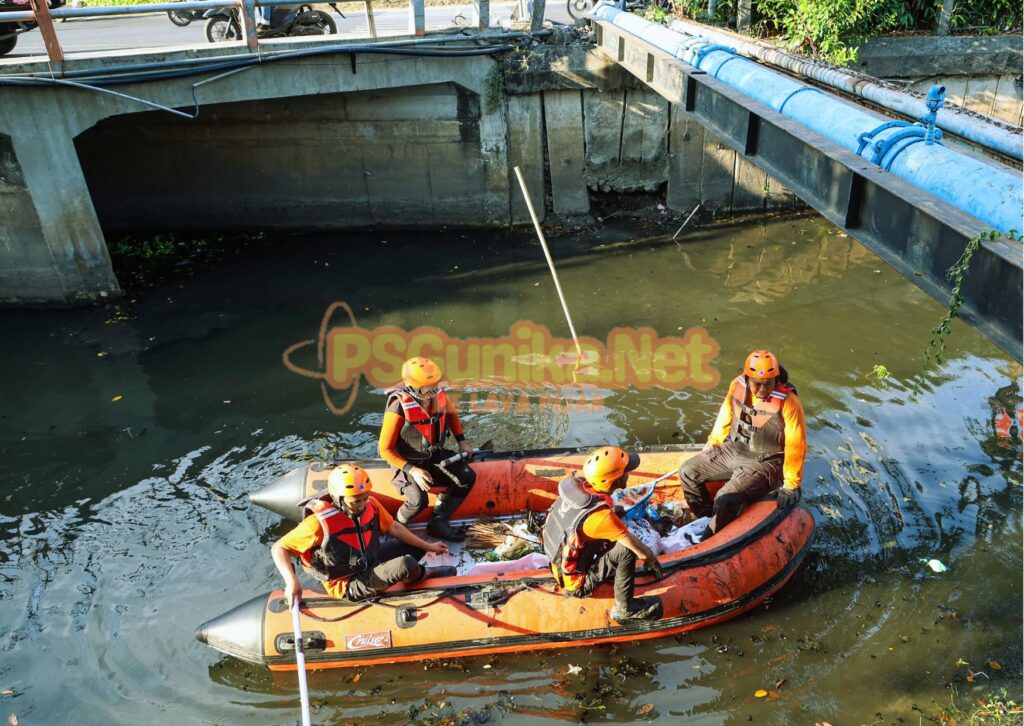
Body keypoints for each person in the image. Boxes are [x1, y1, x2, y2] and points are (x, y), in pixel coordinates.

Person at [271, 463, 454, 604]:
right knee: (406, 564)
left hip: (368, 560)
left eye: (365, 497)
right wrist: (291, 581)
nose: (362, 504)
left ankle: (407, 571)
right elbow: (279, 548)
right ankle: (423, 574)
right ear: (339, 499)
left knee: (414, 547)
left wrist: (427, 546)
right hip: (347, 583)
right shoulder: (317, 524)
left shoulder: (371, 505)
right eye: (356, 501)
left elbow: (395, 528)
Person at [678, 350, 807, 540]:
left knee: (726, 496)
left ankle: (709, 538)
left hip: (765, 461)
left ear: (776, 378)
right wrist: (713, 444)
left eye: (768, 383)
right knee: (687, 471)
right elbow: (725, 415)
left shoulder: (789, 402)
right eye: (757, 384)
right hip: (734, 449)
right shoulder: (736, 386)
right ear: (747, 378)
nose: (762, 390)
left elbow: (796, 444)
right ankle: (705, 517)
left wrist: (791, 484)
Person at [542, 446, 664, 623]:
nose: (629, 474)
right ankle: (625, 609)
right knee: (626, 550)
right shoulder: (601, 518)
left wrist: (614, 513)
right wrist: (651, 558)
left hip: (559, 563)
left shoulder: (577, 492)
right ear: (617, 480)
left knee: (616, 528)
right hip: (577, 582)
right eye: (626, 472)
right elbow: (641, 552)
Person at [378, 356, 476, 541]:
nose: (432, 392)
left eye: (435, 385)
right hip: (406, 461)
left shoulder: (438, 394)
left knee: (466, 477)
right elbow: (384, 449)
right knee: (418, 500)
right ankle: (394, 529)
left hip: (433, 454)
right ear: (413, 387)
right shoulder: (398, 407)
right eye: (427, 388)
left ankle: (439, 521)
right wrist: (413, 470)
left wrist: (461, 441)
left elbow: (451, 415)